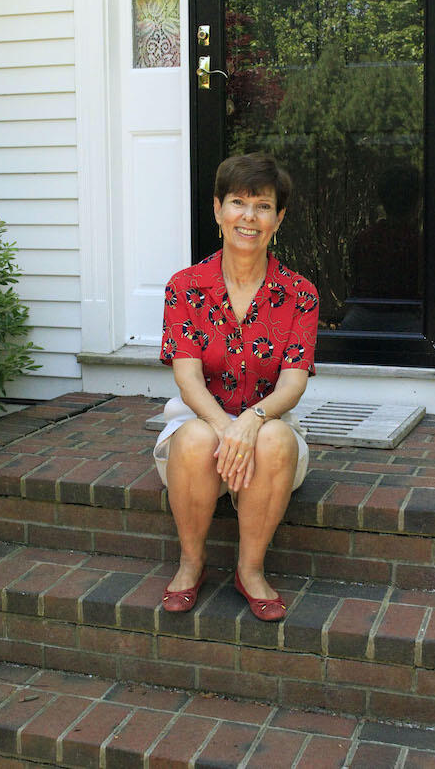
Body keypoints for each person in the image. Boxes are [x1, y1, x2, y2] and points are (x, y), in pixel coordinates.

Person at [154, 152, 319, 621]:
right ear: (217, 209)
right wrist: (226, 426)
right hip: (202, 422)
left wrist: (251, 420)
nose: (249, 216)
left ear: (279, 218)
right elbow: (187, 378)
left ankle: (250, 571)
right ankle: (191, 563)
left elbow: (292, 384)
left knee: (274, 438)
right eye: (238, 202)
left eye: (263, 206)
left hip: (268, 427)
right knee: (195, 439)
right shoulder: (184, 287)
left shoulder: (300, 293)